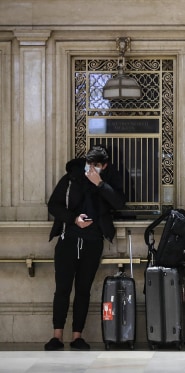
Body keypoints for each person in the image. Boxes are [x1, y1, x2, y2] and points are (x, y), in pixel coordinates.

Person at [44, 145, 126, 351]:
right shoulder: (71, 178)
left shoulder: (108, 180)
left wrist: (100, 184)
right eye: (90, 165)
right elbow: (53, 205)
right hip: (68, 239)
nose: (91, 169)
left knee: (83, 290)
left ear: (104, 166)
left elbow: (119, 203)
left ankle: (77, 336)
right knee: (62, 288)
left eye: (96, 166)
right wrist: (74, 219)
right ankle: (57, 335)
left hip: (92, 241)